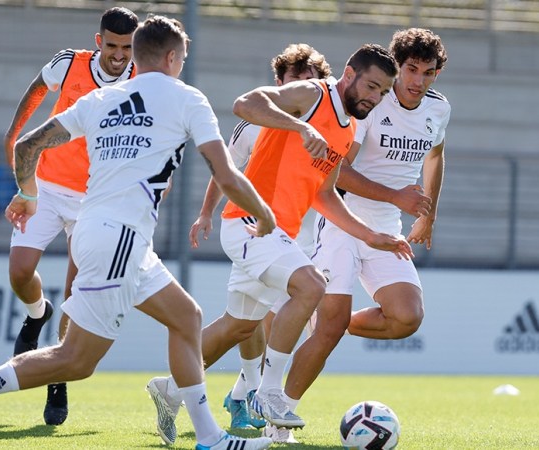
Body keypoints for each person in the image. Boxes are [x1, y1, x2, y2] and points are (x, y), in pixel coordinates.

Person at [0, 16, 275, 450]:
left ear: (136, 54)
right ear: (171, 57)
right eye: (182, 57)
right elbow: (227, 174)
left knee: (187, 318)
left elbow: (28, 144)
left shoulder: (103, 98)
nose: (183, 64)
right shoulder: (187, 98)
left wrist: (28, 193)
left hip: (102, 232)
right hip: (119, 239)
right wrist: (264, 214)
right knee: (76, 360)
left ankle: (209, 436)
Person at [145, 43, 411, 442]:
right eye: (371, 86)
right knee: (312, 286)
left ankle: (168, 388)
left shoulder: (349, 128)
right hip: (250, 223)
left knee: (238, 326)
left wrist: (370, 235)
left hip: (277, 234)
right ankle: (268, 394)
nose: (375, 98)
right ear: (349, 75)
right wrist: (302, 127)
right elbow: (244, 103)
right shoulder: (313, 94)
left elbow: (324, 194)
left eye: (383, 92)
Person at [283, 28, 450, 422]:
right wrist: (395, 196)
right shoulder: (372, 104)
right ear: (397, 67)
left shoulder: (439, 109)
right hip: (343, 222)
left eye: (428, 73)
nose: (418, 81)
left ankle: (329, 321)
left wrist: (427, 214)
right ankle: (280, 416)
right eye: (411, 69)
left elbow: (435, 156)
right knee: (329, 331)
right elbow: (336, 171)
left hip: (387, 227)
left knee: (407, 317)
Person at [2, 6, 138, 426]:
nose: (119, 55)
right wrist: (14, 134)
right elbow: (38, 89)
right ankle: (36, 314)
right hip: (46, 186)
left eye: (127, 48)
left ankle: (56, 380)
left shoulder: (142, 80)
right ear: (99, 41)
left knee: (76, 294)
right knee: (19, 272)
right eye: (112, 45)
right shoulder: (70, 62)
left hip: (95, 199)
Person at [189, 43, 332, 443]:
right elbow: (226, 170)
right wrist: (205, 213)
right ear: (279, 82)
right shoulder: (254, 124)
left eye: (310, 80)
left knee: (245, 323)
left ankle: (214, 391)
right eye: (294, 79)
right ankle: (260, 399)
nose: (302, 86)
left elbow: (327, 186)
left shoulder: (325, 127)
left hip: (301, 235)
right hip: (258, 231)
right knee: (268, 319)